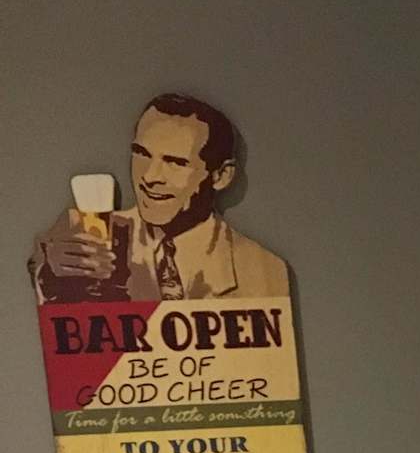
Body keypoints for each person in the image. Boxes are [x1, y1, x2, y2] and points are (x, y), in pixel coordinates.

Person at [29, 92, 290, 302]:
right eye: (141, 154)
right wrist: (50, 273)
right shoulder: (78, 236)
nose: (150, 176)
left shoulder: (263, 270)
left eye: (175, 162)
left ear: (221, 176)